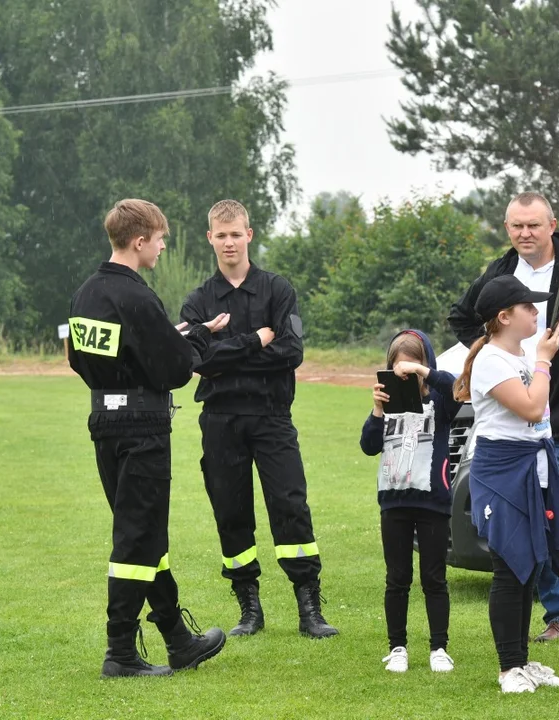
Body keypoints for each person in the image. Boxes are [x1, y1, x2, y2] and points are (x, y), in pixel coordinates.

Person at [448, 192, 559, 643]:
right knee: (534, 518)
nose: (525, 234)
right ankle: (548, 613)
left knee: (547, 516)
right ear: (507, 228)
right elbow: (461, 316)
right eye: (516, 226)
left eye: (533, 226)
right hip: (512, 414)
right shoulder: (502, 271)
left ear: (552, 224)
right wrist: (490, 354)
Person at [68, 198, 228, 677]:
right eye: (160, 240)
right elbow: (175, 369)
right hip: (143, 431)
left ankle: (178, 639)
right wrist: (198, 339)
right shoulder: (138, 296)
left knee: (143, 534)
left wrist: (174, 335)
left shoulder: (85, 294)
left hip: (105, 425)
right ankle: (119, 653)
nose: (161, 248)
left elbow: (83, 359)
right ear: (140, 240)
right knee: (136, 539)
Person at [180, 200, 337, 640]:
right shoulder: (197, 301)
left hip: (272, 418)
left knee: (290, 506)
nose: (229, 242)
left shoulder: (277, 290)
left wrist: (224, 354)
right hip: (220, 420)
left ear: (249, 234)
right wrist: (253, 342)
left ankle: (309, 607)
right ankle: (249, 608)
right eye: (221, 234)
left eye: (236, 233)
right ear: (209, 238)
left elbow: (291, 352)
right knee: (231, 511)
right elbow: (196, 362)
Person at [453, 275, 559, 694]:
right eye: (528, 307)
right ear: (504, 317)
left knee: (528, 567)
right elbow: (532, 407)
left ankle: (521, 660)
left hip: (530, 467)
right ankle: (508, 668)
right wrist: (544, 360)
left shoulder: (517, 355)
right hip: (503, 471)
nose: (537, 313)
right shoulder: (491, 361)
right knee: (509, 567)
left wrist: (537, 359)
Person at [360, 330, 462, 674]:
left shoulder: (440, 401)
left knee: (434, 577)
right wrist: (376, 410)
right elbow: (368, 445)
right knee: (397, 578)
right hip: (394, 502)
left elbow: (456, 387)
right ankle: (397, 647)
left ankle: (439, 647)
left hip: (432, 501)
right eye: (396, 366)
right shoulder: (386, 403)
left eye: (411, 365)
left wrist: (424, 374)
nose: (403, 372)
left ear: (425, 363)